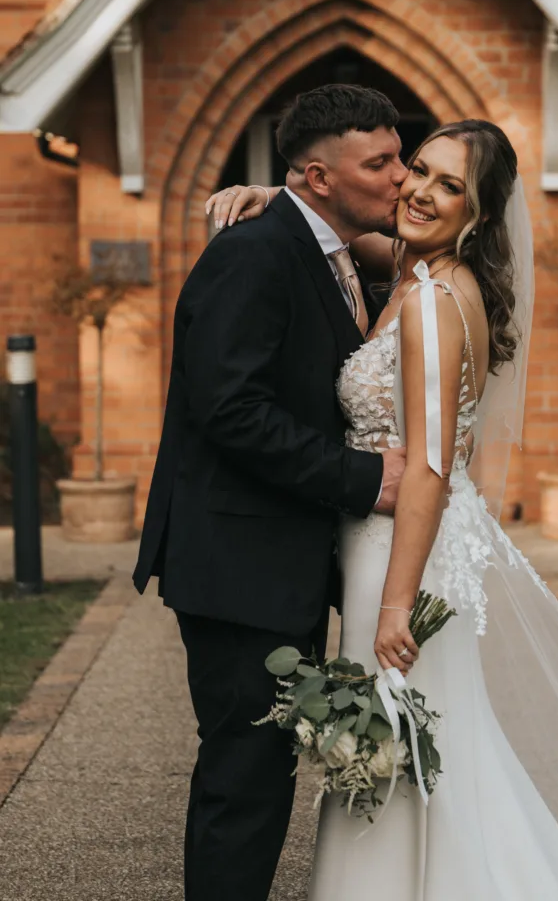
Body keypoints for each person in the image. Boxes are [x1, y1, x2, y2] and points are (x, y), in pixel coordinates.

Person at [213, 116, 558, 901]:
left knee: (392, 742)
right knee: (411, 743)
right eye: (418, 170)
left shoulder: (431, 302)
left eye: (449, 185)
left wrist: (396, 604)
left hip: (403, 551)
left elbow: (429, 466)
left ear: (480, 213)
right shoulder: (411, 266)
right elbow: (349, 238)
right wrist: (282, 197)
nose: (420, 192)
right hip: (393, 542)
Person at [132, 85, 416, 901]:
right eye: (381, 162)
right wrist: (365, 479)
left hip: (276, 560)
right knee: (243, 774)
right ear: (319, 176)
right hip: (235, 562)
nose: (400, 176)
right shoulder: (253, 253)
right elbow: (230, 409)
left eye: (400, 157)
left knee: (259, 770)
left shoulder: (318, 243)